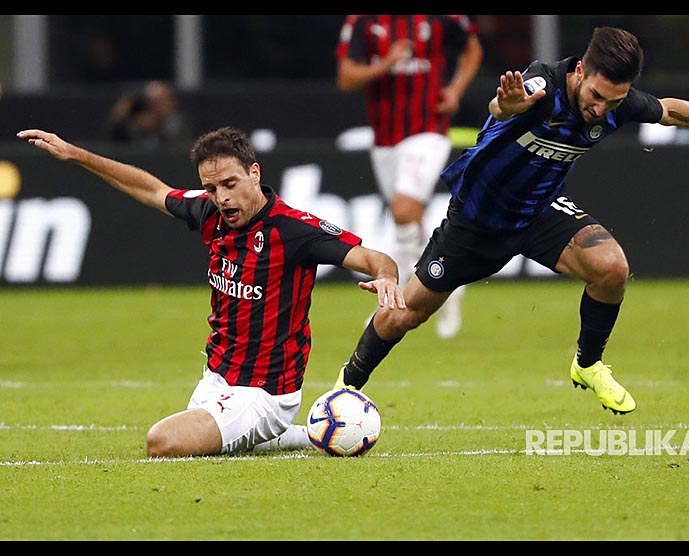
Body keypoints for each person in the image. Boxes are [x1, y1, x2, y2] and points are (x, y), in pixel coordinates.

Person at [333, 26, 689, 414]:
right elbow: (506, 105)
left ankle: (588, 363)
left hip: (539, 212)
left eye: (613, 102)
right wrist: (508, 105)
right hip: (476, 223)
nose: (601, 109)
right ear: (579, 71)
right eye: (596, 95)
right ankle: (344, 388)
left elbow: (671, 110)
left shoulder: (616, 102)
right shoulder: (543, 84)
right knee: (402, 316)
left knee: (612, 269)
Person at [17, 126, 405, 457]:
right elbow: (152, 190)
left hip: (264, 394)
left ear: (255, 173)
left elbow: (376, 258)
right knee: (191, 438)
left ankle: (280, 426)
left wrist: (386, 277)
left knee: (162, 441)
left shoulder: (294, 230)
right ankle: (308, 434)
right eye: (212, 187)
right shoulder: (209, 212)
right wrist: (75, 154)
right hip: (215, 381)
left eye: (230, 184)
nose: (222, 197)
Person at [335, 15, 483, 339]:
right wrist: (384, 64)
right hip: (385, 138)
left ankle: (392, 304)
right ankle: (446, 283)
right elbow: (346, 77)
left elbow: (472, 46)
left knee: (403, 209)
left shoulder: (442, 19)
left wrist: (455, 88)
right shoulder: (362, 21)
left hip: (428, 128)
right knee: (408, 219)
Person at [107, 80, 192, 147]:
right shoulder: (136, 122)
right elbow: (114, 140)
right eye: (153, 102)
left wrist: (158, 126)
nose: (158, 106)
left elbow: (179, 146)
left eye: (162, 101)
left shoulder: (176, 123)